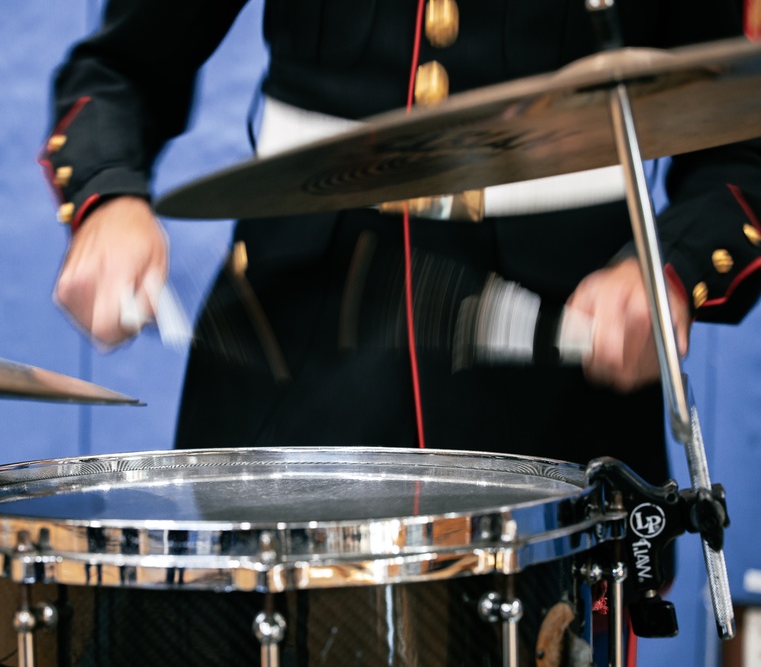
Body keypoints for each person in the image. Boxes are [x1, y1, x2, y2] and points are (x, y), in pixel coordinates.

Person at [41, 0, 761, 487]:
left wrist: (672, 267)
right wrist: (109, 198)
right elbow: (120, 69)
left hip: (561, 380)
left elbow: (744, 142)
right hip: (292, 356)